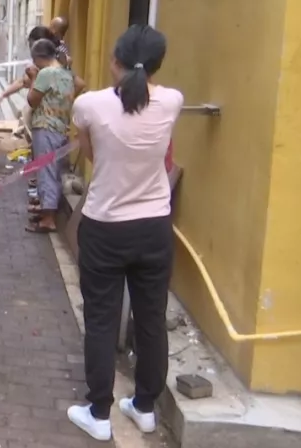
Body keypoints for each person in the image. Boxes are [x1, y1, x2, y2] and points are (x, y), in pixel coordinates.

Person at [65, 25, 183, 441]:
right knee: (151, 318)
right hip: (154, 227)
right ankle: (145, 407)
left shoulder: (89, 105)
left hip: (106, 226)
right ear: (157, 64)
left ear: (114, 60)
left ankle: (99, 413)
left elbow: (90, 153)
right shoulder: (172, 101)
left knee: (101, 318)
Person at [25, 38, 75, 233]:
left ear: (38, 57)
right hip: (61, 128)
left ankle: (48, 219)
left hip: (45, 127)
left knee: (45, 172)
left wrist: (33, 79)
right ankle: (49, 211)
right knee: (54, 172)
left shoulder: (46, 73)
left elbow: (32, 100)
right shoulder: (66, 74)